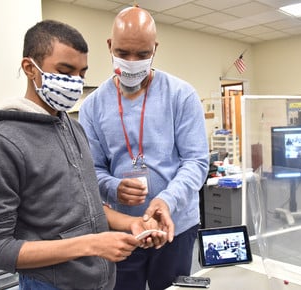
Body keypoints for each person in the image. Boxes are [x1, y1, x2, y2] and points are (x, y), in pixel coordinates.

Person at [0, 20, 174, 290]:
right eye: (65, 71)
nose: (75, 82)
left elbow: (88, 206)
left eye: (81, 74)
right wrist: (91, 244)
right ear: (30, 68)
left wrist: (132, 223)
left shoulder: (73, 128)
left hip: (100, 280)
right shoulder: (1, 143)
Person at [78, 6, 209, 290]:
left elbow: (196, 162)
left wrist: (167, 201)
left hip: (175, 224)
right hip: (123, 227)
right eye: (123, 54)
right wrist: (113, 186)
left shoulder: (181, 95)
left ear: (155, 49)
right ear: (110, 46)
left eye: (142, 55)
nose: (132, 62)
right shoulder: (92, 107)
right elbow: (93, 170)